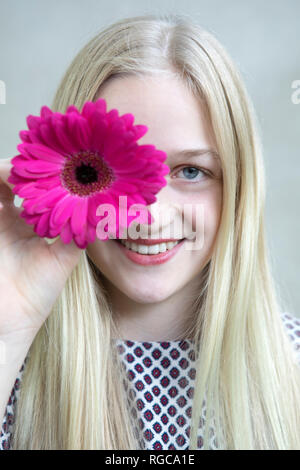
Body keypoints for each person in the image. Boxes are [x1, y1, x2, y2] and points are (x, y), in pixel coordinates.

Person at [0, 13, 300, 451]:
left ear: (238, 186)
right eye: (110, 170)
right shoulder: (15, 367)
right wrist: (7, 332)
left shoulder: (292, 366)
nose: (149, 215)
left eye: (192, 171)